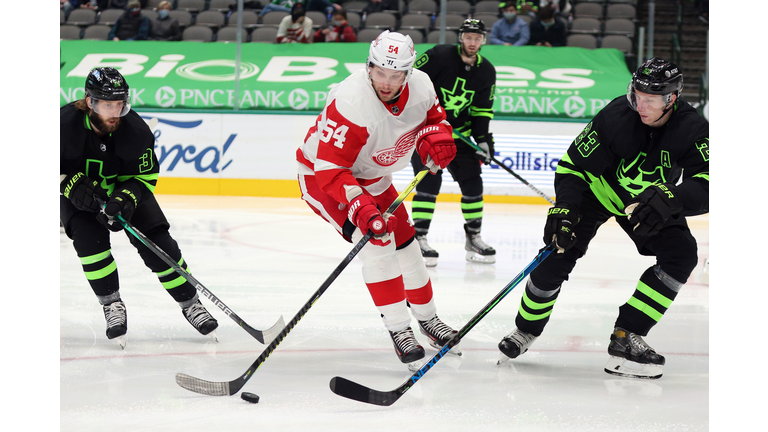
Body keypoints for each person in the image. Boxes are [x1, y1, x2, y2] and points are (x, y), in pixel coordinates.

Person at [497, 58, 709, 379]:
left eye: (650, 99)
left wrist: (672, 197)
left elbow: (710, 181)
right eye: (637, 94)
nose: (641, 104)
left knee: (681, 255)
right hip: (596, 193)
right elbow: (572, 166)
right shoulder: (616, 115)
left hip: (646, 204)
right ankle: (526, 329)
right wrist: (566, 206)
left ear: (671, 99)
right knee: (556, 253)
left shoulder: (692, 127)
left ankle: (627, 336)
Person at [296, 30, 461, 370]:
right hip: (324, 179)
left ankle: (428, 320)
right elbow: (331, 170)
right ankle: (400, 330)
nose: (386, 82)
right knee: (377, 242)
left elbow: (435, 120)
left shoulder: (423, 87)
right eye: (380, 73)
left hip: (374, 178)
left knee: (408, 246)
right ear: (368, 66)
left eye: (396, 74)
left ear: (409, 72)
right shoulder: (350, 102)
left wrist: (438, 139)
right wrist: (360, 206)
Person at [60, 67, 219, 349]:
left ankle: (191, 303)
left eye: (119, 104)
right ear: (89, 102)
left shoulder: (136, 131)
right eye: (108, 104)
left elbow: (144, 178)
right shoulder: (62, 125)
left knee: (160, 246)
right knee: (90, 245)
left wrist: (126, 198)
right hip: (80, 197)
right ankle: (111, 305)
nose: (115, 111)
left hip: (123, 193)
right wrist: (66, 183)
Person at [409, 18, 497, 267]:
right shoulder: (439, 56)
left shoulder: (487, 71)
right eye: (468, 37)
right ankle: (419, 238)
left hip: (460, 135)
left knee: (473, 184)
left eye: (477, 38)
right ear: (461, 37)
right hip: (428, 132)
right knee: (429, 182)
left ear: (483, 40)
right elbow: (411, 81)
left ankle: (473, 238)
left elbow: (481, 111)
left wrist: (483, 140)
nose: (473, 42)